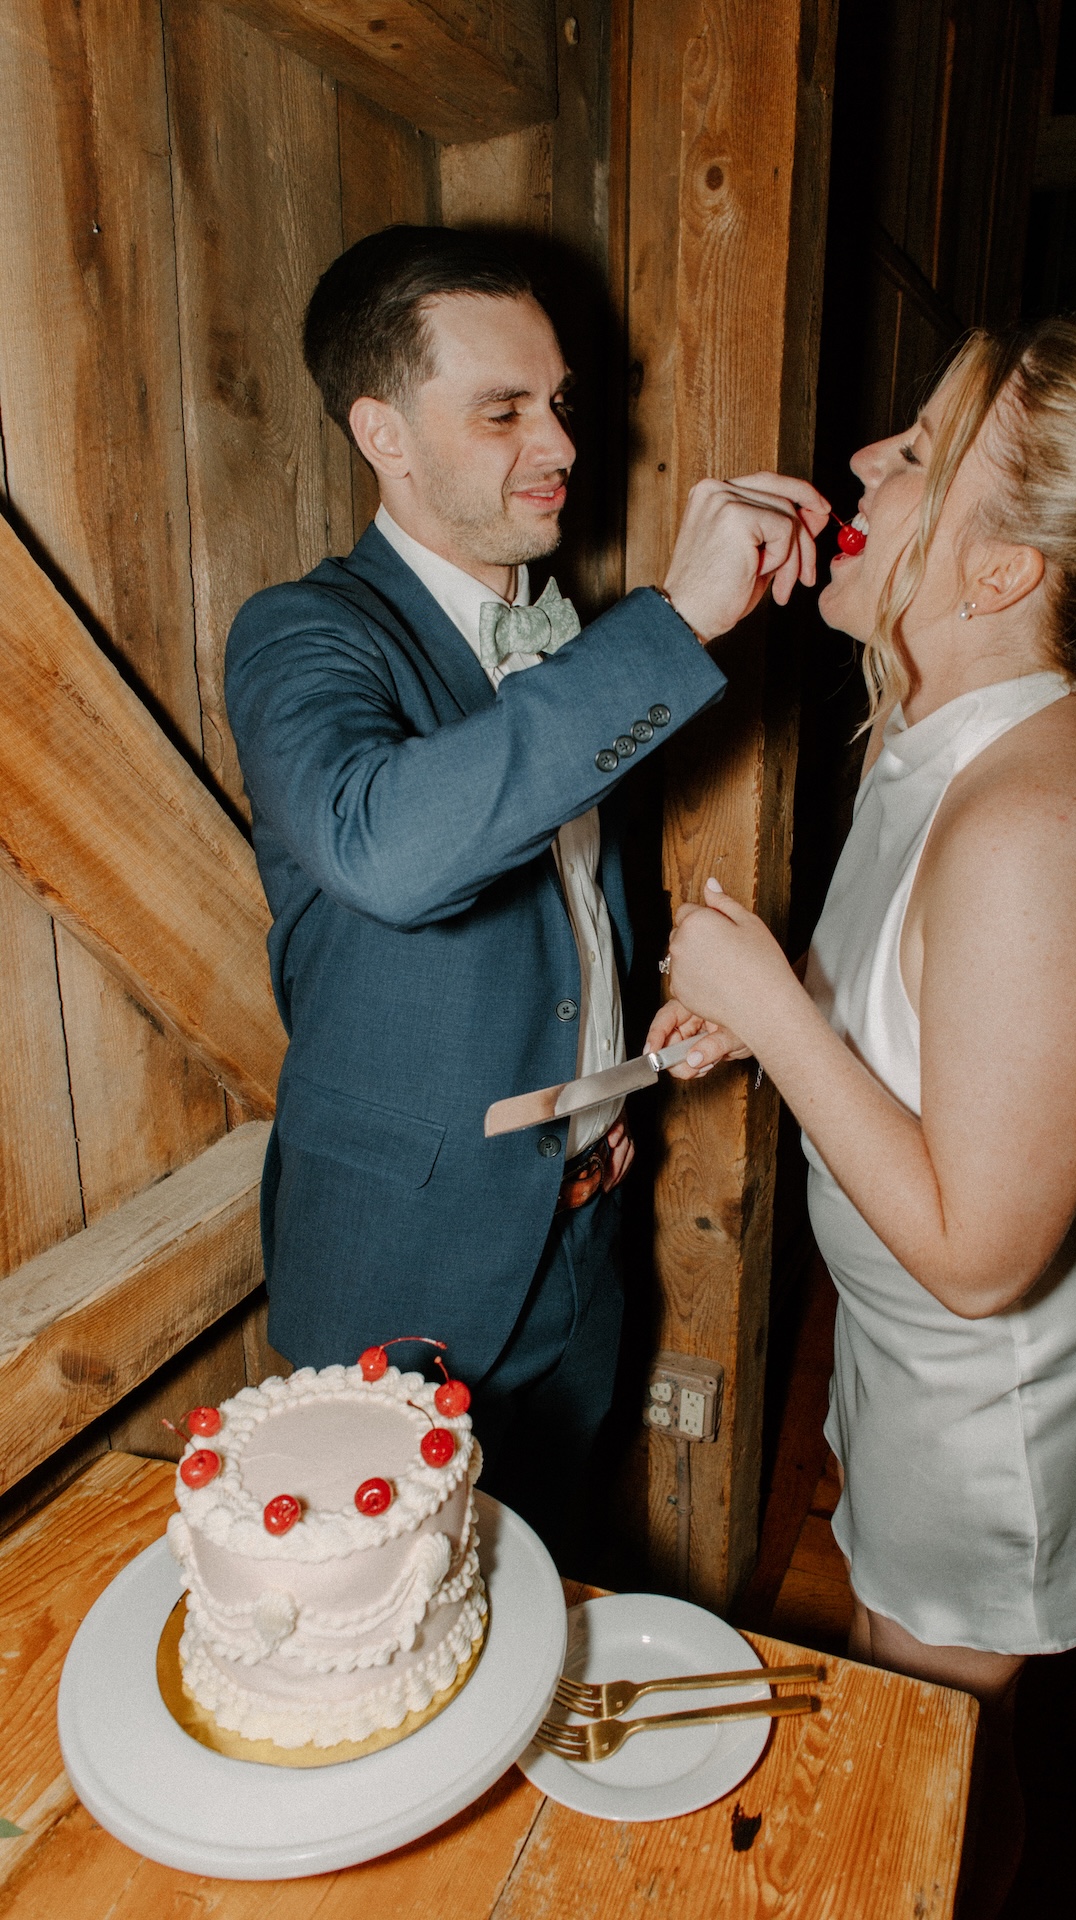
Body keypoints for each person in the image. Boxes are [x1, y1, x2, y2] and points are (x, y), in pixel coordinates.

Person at [648, 316, 1076, 1910]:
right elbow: (946, 1024)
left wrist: (784, 1016)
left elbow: (986, 1254)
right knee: (919, 1716)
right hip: (914, 1362)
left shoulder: (1040, 822)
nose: (868, 460)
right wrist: (777, 1014)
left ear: (1003, 576)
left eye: (919, 453)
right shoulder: (959, 728)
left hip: (989, 1393)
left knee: (922, 1753)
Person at [223, 223, 825, 1562]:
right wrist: (676, 623)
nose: (558, 445)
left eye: (560, 403)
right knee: (389, 1645)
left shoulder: (572, 638)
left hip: (582, 1242)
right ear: (383, 431)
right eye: (502, 412)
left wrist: (644, 1016)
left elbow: (552, 912)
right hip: (401, 1271)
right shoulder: (304, 633)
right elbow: (386, 850)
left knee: (544, 1593)